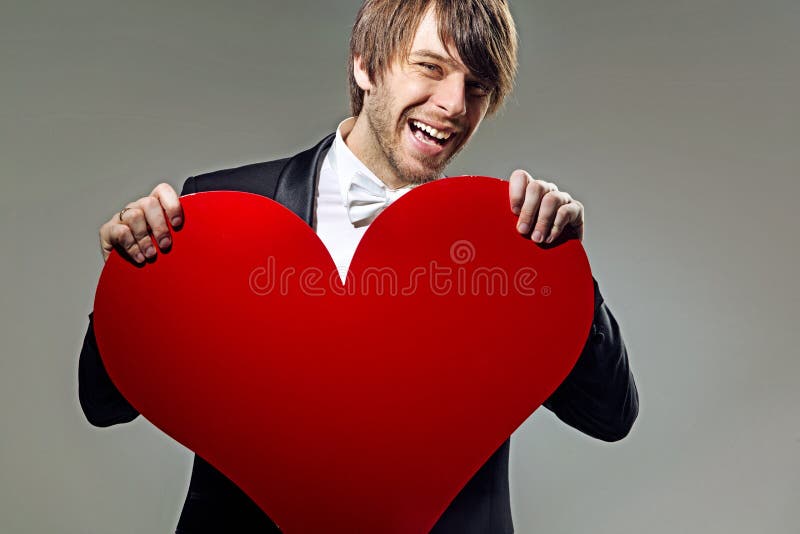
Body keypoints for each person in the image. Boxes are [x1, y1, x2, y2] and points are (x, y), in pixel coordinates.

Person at [78, 1, 639, 532]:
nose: (453, 104)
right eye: (430, 67)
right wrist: (131, 281)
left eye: (477, 87)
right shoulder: (219, 210)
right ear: (365, 65)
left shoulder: (506, 247)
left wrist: (561, 269)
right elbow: (105, 403)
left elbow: (609, 416)